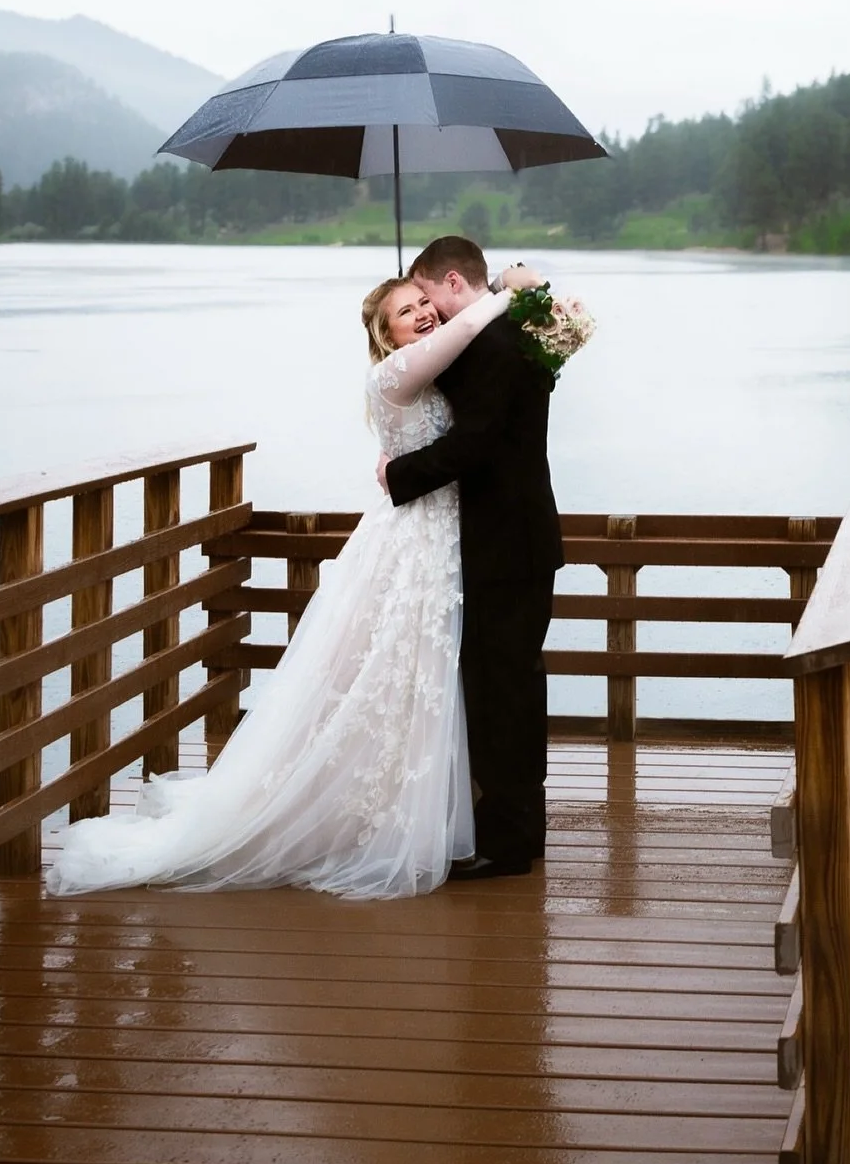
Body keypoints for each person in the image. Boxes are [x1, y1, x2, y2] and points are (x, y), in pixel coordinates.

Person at [45, 260, 541, 899]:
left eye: (423, 302)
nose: (422, 313)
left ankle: (431, 808)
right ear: (385, 334)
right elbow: (466, 326)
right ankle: (369, 815)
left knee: (425, 674)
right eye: (405, 310)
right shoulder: (394, 372)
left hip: (444, 537)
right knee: (396, 669)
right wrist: (507, 290)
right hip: (415, 537)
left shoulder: (434, 368)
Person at [382, 236, 564, 880]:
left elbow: (476, 444)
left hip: (505, 541)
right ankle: (522, 829)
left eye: (427, 295)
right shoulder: (518, 330)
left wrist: (397, 474)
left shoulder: (492, 344)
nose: (428, 309)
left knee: (500, 692)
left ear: (453, 282)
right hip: (522, 536)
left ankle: (507, 843)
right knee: (516, 685)